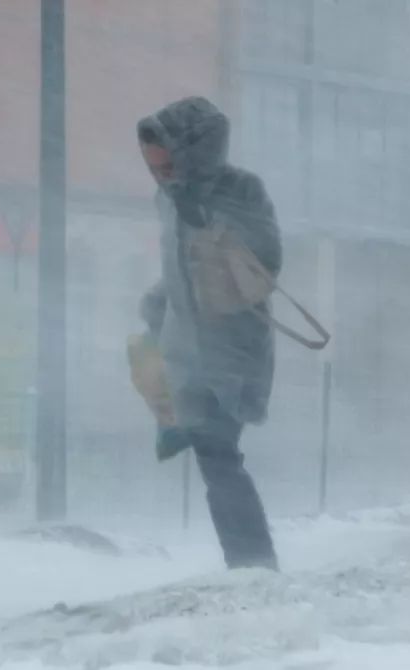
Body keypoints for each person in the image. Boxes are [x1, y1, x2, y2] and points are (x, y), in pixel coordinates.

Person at [136, 96, 281, 571]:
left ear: (192, 151)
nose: (159, 172)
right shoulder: (168, 200)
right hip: (186, 350)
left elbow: (264, 262)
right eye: (152, 164)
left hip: (232, 352)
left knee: (219, 454)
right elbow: (179, 269)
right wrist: (158, 303)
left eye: (166, 161)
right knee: (213, 456)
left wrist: (207, 214)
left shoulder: (241, 189)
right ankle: (249, 562)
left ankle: (253, 563)